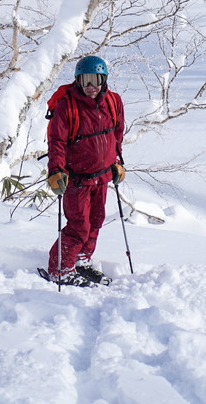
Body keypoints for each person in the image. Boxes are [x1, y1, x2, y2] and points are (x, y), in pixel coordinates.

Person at [44, 55, 126, 286]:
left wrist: (117, 162)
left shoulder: (113, 101)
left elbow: (116, 134)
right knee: (79, 225)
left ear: (104, 79)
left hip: (102, 176)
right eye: (85, 80)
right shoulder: (67, 106)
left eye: (96, 79)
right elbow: (56, 142)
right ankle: (60, 269)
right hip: (76, 178)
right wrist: (56, 171)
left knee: (97, 220)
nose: (91, 86)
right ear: (78, 81)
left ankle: (81, 260)